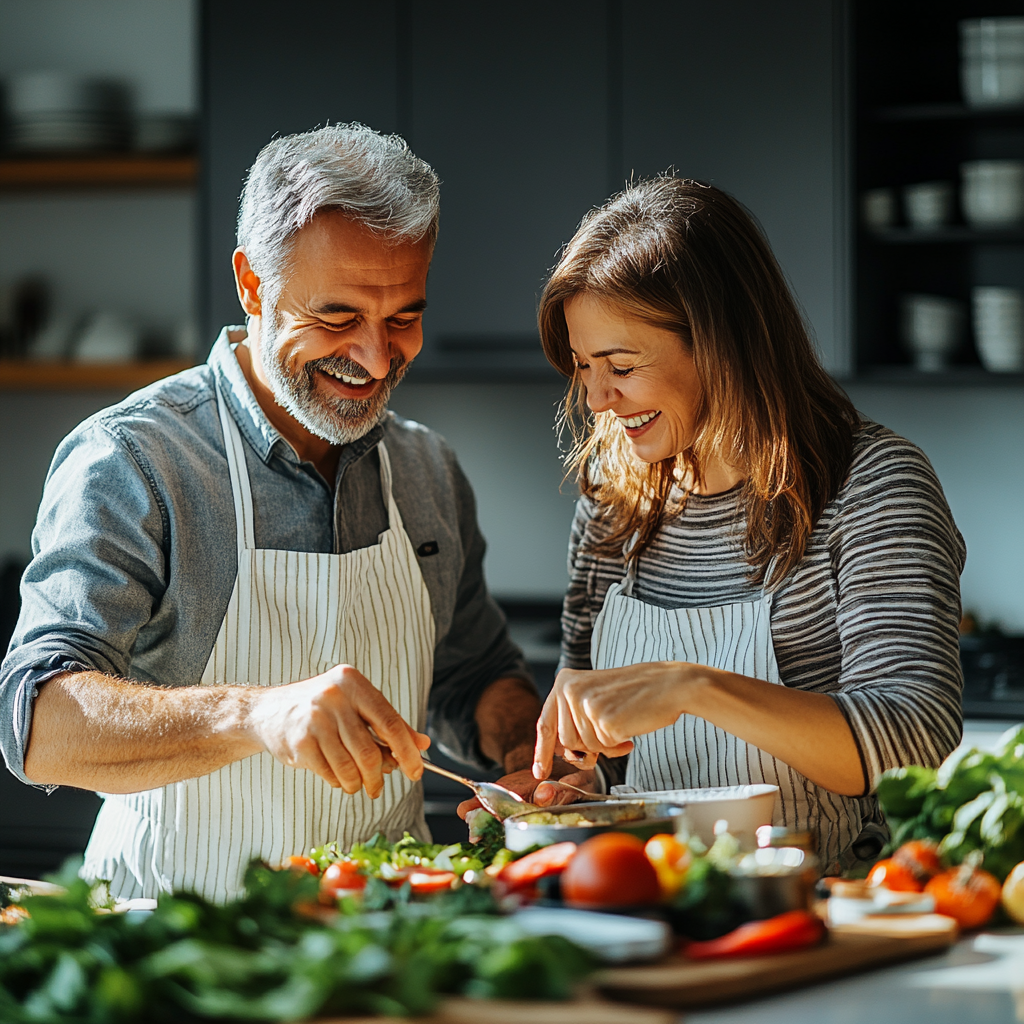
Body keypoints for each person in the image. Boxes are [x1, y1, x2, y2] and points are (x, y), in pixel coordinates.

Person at [0, 124, 551, 901]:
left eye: (403, 317)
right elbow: (37, 724)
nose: (375, 356)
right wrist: (251, 715)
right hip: (177, 942)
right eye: (336, 317)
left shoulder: (427, 470)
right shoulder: (136, 462)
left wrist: (526, 748)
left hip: (386, 948)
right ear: (252, 284)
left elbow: (473, 672)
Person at [526, 177, 965, 871]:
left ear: (720, 343)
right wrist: (570, 791)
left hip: (819, 913)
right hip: (647, 907)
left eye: (621, 364)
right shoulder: (613, 505)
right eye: (584, 367)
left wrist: (691, 687)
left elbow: (914, 737)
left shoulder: (871, 485)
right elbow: (598, 753)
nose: (599, 398)